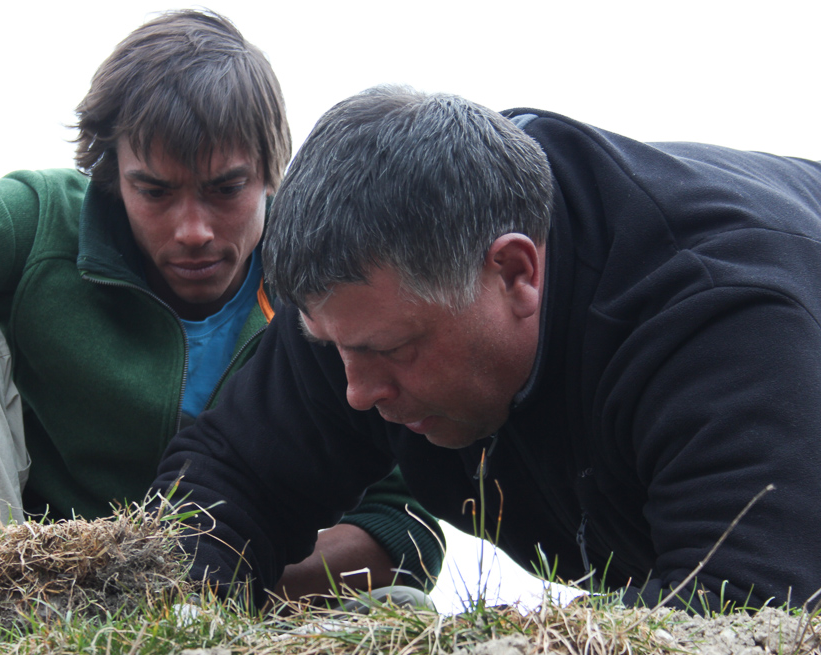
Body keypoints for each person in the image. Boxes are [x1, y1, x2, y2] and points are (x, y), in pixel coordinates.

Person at [0, 17, 443, 598]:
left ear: (272, 171)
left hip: (229, 597)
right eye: (155, 191)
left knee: (401, 604)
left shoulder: (336, 281)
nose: (194, 228)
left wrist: (186, 583)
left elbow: (402, 524)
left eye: (226, 188)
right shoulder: (39, 220)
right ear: (110, 173)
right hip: (11, 573)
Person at [152, 84, 821, 612]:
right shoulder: (371, 298)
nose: (356, 392)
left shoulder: (716, 324)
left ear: (514, 273)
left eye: (394, 350)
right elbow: (229, 476)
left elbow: (751, 609)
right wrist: (172, 615)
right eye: (335, 349)